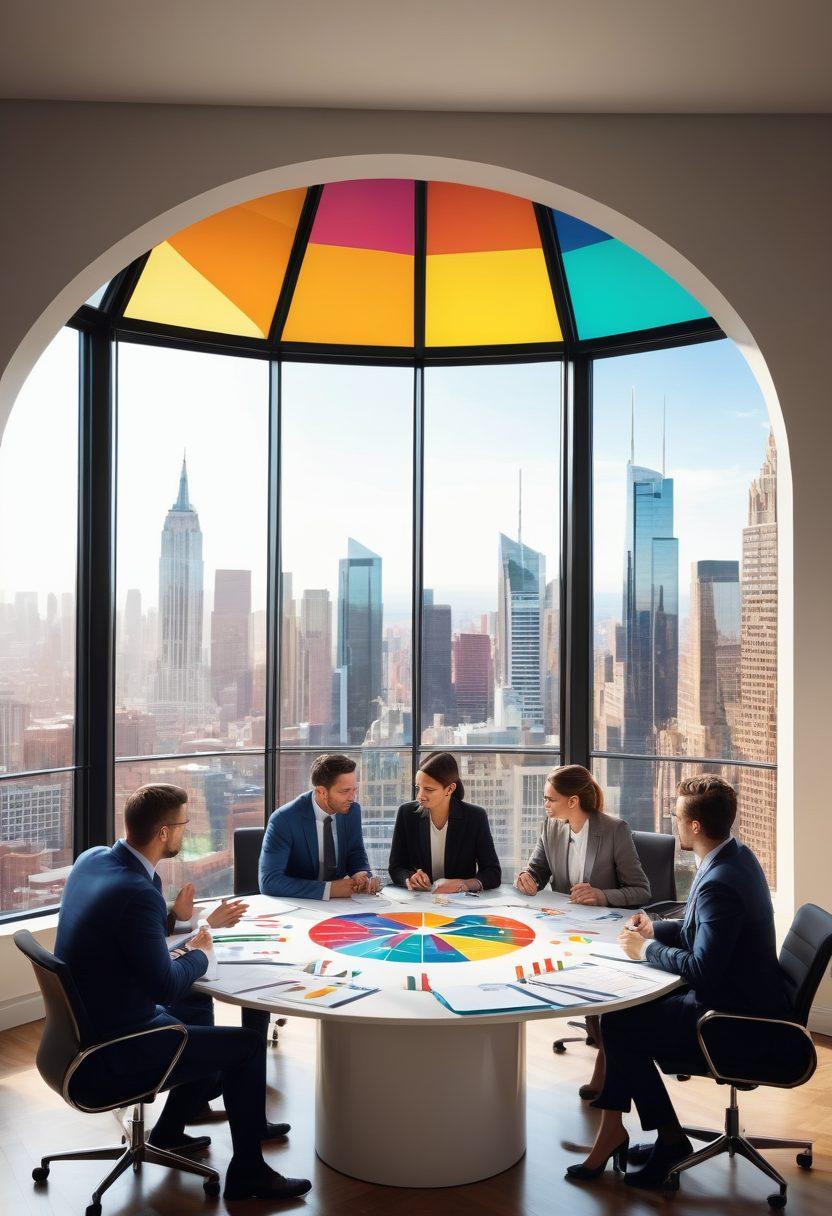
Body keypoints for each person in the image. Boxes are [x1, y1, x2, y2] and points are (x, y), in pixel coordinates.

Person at [54, 783, 311, 1203]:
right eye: (182, 826)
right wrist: (202, 953)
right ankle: (248, 1174)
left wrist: (181, 923)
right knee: (244, 1045)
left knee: (195, 1002)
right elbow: (164, 984)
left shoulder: (95, 860)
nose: (184, 834)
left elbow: (128, 941)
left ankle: (172, 1129)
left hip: (86, 1021)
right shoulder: (138, 891)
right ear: (161, 833)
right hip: (116, 1045)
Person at [566, 775, 792, 1191]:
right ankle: (622, 1133)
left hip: (733, 1019)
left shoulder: (720, 883)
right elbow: (701, 931)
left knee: (620, 1026)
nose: (672, 820)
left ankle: (670, 1142)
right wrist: (655, 929)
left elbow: (704, 969)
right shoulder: (734, 857)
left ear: (695, 827)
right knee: (622, 1016)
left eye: (676, 815)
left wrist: (644, 951)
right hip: (745, 996)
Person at [513, 764, 651, 1100]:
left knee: (596, 987)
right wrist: (526, 881)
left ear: (573, 801)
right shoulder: (552, 828)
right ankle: (602, 1039)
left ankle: (605, 1063)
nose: (545, 805)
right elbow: (537, 872)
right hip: (564, 929)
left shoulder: (615, 830)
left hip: (605, 934)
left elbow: (642, 891)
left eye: (551, 799)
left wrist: (602, 895)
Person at [259, 754, 379, 900]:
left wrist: (360, 873)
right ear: (321, 792)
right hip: (299, 905)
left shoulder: (352, 811)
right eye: (345, 791)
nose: (352, 798)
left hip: (342, 905)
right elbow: (269, 882)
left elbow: (355, 852)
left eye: (354, 790)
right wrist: (329, 890)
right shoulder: (284, 819)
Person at [387, 752, 501, 891]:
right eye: (418, 788)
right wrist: (410, 877)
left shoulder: (475, 817)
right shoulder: (406, 814)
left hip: (459, 903)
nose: (420, 796)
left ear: (450, 789)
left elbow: (493, 873)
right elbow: (396, 867)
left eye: (428, 789)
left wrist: (463, 885)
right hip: (420, 902)